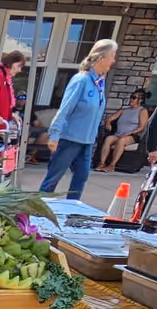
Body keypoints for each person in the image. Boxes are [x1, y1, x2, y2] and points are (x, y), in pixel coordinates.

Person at [40, 39, 117, 200]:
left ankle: (71, 214)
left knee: (81, 177)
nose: (114, 60)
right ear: (101, 57)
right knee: (52, 180)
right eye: (112, 56)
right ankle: (36, 215)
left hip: (87, 141)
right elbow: (65, 108)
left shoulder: (99, 82)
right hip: (69, 139)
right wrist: (54, 135)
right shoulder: (81, 80)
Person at [94, 89, 149, 172]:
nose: (131, 99)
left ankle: (112, 165)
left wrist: (129, 133)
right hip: (119, 134)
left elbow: (142, 127)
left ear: (140, 100)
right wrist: (108, 122)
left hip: (132, 136)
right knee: (108, 139)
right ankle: (102, 163)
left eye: (134, 98)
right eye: (131, 97)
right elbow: (110, 118)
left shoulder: (142, 111)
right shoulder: (124, 110)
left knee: (121, 140)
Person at [14, 92, 48, 164]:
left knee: (46, 133)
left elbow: (36, 123)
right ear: (15, 99)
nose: (22, 100)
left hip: (29, 128)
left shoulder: (28, 110)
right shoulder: (11, 109)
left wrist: (43, 126)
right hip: (16, 129)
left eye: (24, 98)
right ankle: (20, 155)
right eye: (20, 98)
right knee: (26, 130)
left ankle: (30, 155)